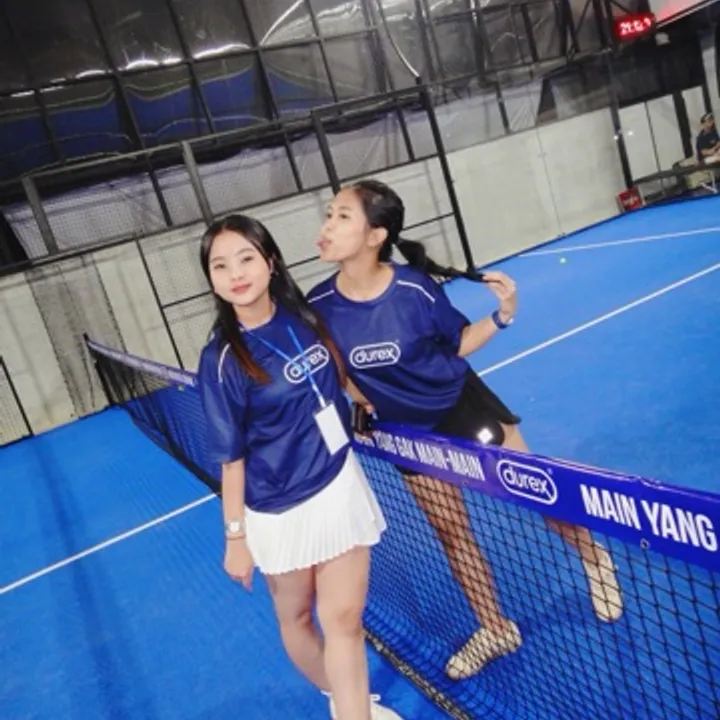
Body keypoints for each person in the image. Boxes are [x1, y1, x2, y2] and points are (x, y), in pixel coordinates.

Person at [308, 179, 624, 681]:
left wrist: (502, 316)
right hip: (407, 432)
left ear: (376, 235)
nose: (327, 225)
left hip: (461, 408)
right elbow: (336, 364)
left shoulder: (414, 289)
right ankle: (495, 628)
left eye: (342, 216)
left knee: (537, 496)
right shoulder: (319, 303)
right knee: (452, 533)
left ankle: (595, 560)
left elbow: (456, 343)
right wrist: (360, 399)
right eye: (329, 214)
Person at [196, 214, 401, 720]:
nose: (236, 273)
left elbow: (335, 371)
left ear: (270, 262)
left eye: (246, 258)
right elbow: (231, 460)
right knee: (297, 619)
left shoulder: (303, 316)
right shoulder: (221, 360)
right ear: (212, 280)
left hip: (336, 484)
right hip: (277, 509)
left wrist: (363, 401)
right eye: (220, 265)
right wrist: (236, 539)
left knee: (344, 619)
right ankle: (343, 697)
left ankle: (354, 711)